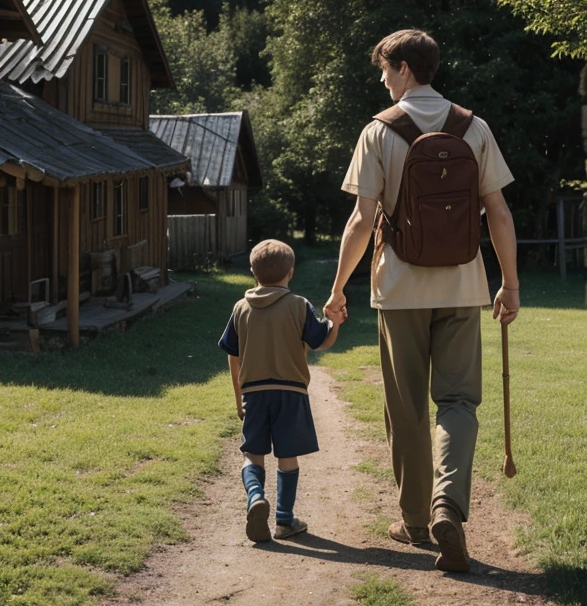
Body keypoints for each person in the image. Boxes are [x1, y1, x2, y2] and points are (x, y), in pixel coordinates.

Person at [324, 29, 520, 573]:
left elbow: (363, 219)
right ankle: (447, 507)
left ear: (406, 68)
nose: (382, 78)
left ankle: (414, 520)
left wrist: (339, 288)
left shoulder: (378, 133)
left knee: (405, 405)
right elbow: (498, 212)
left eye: (385, 69)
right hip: (463, 285)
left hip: (399, 288)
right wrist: (509, 283)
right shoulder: (474, 127)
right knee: (458, 402)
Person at [219, 238, 346, 543]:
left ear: (253, 272)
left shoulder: (240, 308)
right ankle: (284, 521)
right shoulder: (299, 305)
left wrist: (239, 397)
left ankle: (255, 498)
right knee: (287, 457)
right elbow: (321, 342)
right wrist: (335, 322)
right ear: (290, 272)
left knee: (252, 454)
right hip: (291, 393)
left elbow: (232, 355)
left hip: (254, 392)